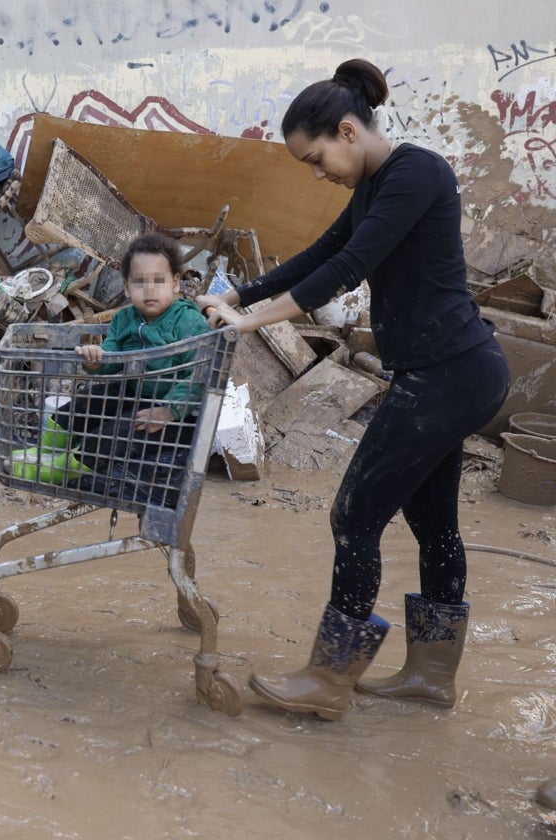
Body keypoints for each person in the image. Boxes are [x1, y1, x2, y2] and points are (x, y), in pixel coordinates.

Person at [195, 58, 510, 721]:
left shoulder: (416, 172)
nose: (319, 173)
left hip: (450, 374)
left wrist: (250, 320)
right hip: (447, 372)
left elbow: (346, 268)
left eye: (317, 158)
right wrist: (236, 292)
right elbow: (320, 250)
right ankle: (430, 676)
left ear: (346, 129)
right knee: (432, 523)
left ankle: (329, 678)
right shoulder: (374, 187)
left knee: (353, 515)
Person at [64, 231, 210, 485]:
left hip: (176, 415)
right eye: (140, 282)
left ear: (175, 283)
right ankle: (49, 445)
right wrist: (96, 360)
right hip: (137, 395)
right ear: (127, 286)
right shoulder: (124, 318)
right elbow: (111, 357)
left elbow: (201, 372)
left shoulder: (188, 321)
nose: (149, 290)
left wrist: (170, 410)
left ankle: (69, 465)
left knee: (115, 433)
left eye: (159, 281)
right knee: (91, 399)